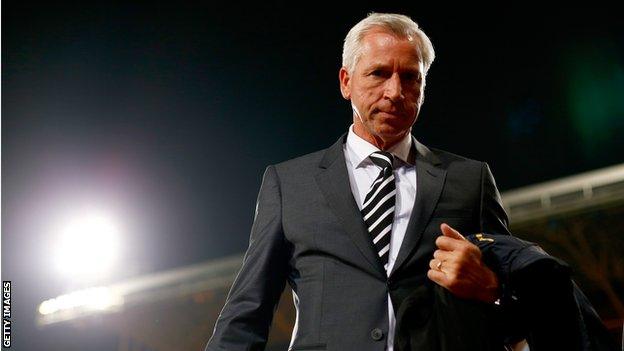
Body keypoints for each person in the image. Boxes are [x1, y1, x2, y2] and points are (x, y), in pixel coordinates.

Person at [205, 12, 511, 351]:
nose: (395, 92)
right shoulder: (290, 184)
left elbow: (523, 300)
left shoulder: (470, 180)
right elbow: (247, 313)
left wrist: (493, 287)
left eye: (410, 77)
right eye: (379, 73)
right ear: (346, 82)